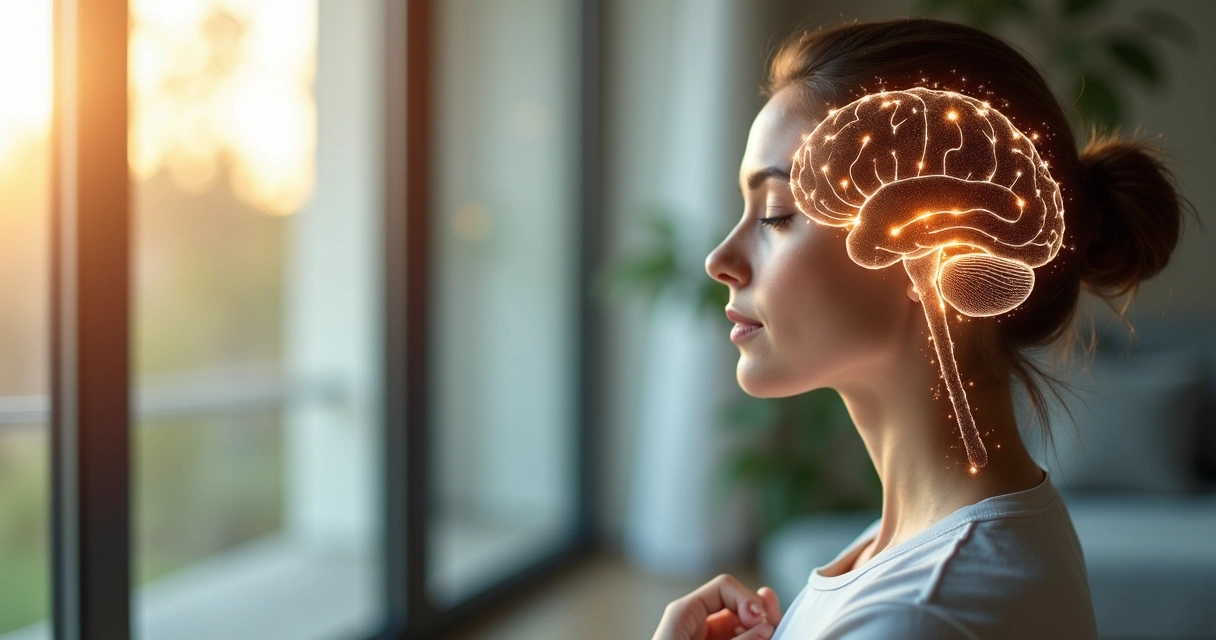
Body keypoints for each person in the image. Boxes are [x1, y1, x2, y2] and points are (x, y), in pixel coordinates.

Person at [650, 16, 1191, 640]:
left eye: (776, 214)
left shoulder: (917, 614)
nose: (720, 259)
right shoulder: (929, 546)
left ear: (938, 240)